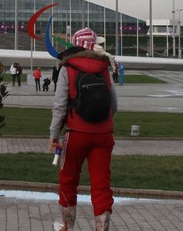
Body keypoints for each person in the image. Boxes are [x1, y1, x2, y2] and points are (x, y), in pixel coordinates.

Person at [49, 27, 116, 231]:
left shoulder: (67, 67)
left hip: (76, 134)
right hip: (104, 135)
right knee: (101, 184)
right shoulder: (104, 67)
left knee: (68, 180)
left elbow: (60, 106)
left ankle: (66, 225)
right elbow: (114, 105)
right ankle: (101, 228)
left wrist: (54, 135)